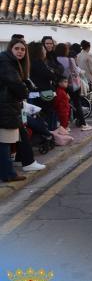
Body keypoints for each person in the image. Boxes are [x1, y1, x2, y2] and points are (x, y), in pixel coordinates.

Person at [0, 37, 30, 182]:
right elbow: (15, 83)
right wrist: (25, 92)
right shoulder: (7, 62)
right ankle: (8, 174)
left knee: (5, 142)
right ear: (10, 49)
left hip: (7, 105)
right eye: (17, 48)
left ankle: (7, 173)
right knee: (4, 142)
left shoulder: (9, 61)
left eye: (23, 49)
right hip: (5, 106)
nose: (20, 51)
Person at [28, 42, 58, 131]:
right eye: (43, 49)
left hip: (37, 93)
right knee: (48, 114)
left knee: (42, 114)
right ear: (38, 51)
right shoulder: (38, 63)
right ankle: (50, 134)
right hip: (44, 92)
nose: (45, 51)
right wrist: (53, 73)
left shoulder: (30, 62)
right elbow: (51, 76)